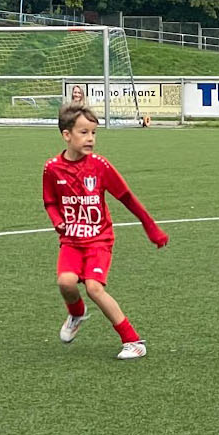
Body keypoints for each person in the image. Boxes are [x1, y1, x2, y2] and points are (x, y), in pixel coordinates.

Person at [44, 103, 169, 360]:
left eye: (93, 132)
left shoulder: (100, 165)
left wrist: (151, 228)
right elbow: (50, 201)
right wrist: (57, 221)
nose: (91, 138)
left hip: (99, 239)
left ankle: (133, 341)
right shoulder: (52, 168)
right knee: (65, 282)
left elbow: (127, 197)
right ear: (66, 135)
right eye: (83, 132)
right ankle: (77, 313)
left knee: (94, 288)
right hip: (71, 241)